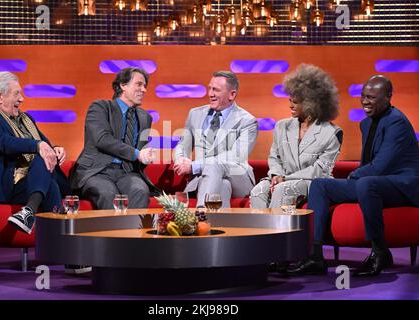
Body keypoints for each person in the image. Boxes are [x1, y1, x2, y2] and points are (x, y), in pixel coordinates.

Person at [287, 75, 419, 277]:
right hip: (373, 182)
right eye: (364, 96)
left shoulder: (397, 123)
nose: (366, 101)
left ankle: (381, 251)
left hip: (402, 184)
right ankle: (314, 256)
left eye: (372, 97)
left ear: (388, 97)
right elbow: (369, 165)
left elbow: (381, 166)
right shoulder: (366, 123)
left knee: (367, 184)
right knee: (320, 185)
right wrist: (356, 177)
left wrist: (354, 176)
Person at [0, 71, 70, 234]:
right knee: (49, 181)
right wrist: (39, 146)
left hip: (35, 180)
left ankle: (28, 212)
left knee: (48, 176)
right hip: (10, 185)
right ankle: (68, 253)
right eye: (17, 93)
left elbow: (44, 144)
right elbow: (4, 142)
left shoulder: (27, 120)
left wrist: (56, 149)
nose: (22, 99)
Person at [250, 64, 343, 210]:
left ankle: (276, 232)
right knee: (258, 191)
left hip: (312, 182)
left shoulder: (332, 133)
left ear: (311, 103)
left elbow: (319, 171)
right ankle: (259, 232)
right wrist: (276, 175)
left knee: (283, 190)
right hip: (281, 178)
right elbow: (275, 158)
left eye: (296, 102)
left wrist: (285, 179)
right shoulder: (282, 126)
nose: (291, 106)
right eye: (290, 101)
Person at [71, 67, 158, 211]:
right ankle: (112, 234)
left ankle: (133, 233)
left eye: (145, 86)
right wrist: (137, 154)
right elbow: (102, 139)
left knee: (140, 191)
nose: (144, 90)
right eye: (139, 84)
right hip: (98, 171)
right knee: (107, 194)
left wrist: (146, 154)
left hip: (128, 173)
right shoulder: (100, 107)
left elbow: (139, 151)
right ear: (123, 85)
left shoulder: (145, 117)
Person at [173, 71, 258, 208]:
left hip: (237, 176)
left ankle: (201, 215)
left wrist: (194, 166)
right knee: (223, 186)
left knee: (214, 166)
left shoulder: (247, 121)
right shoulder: (195, 114)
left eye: (216, 90)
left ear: (232, 94)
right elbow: (183, 145)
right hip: (205, 180)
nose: (210, 94)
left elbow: (235, 157)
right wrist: (180, 159)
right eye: (210, 88)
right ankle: (214, 226)